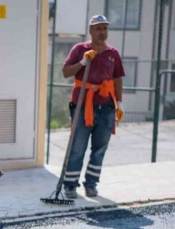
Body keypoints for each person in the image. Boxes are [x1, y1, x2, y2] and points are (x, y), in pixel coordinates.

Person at [61, 14, 125, 199]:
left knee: (100, 148)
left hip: (106, 107)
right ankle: (70, 185)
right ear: (90, 31)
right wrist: (82, 62)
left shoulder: (113, 53)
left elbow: (117, 78)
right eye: (98, 28)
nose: (102, 32)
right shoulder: (80, 49)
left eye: (105, 28)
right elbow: (66, 72)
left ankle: (91, 184)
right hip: (82, 105)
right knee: (77, 147)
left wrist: (119, 103)